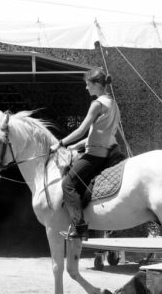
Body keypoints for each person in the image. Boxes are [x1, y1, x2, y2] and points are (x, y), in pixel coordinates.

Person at [57, 68, 124, 240]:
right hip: (109, 150)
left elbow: (81, 130)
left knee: (68, 184)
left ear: (96, 84)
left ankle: (79, 228)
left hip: (96, 155)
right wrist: (72, 147)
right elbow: (95, 135)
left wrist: (60, 143)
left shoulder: (97, 104)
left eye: (88, 85)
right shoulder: (113, 103)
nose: (86, 88)